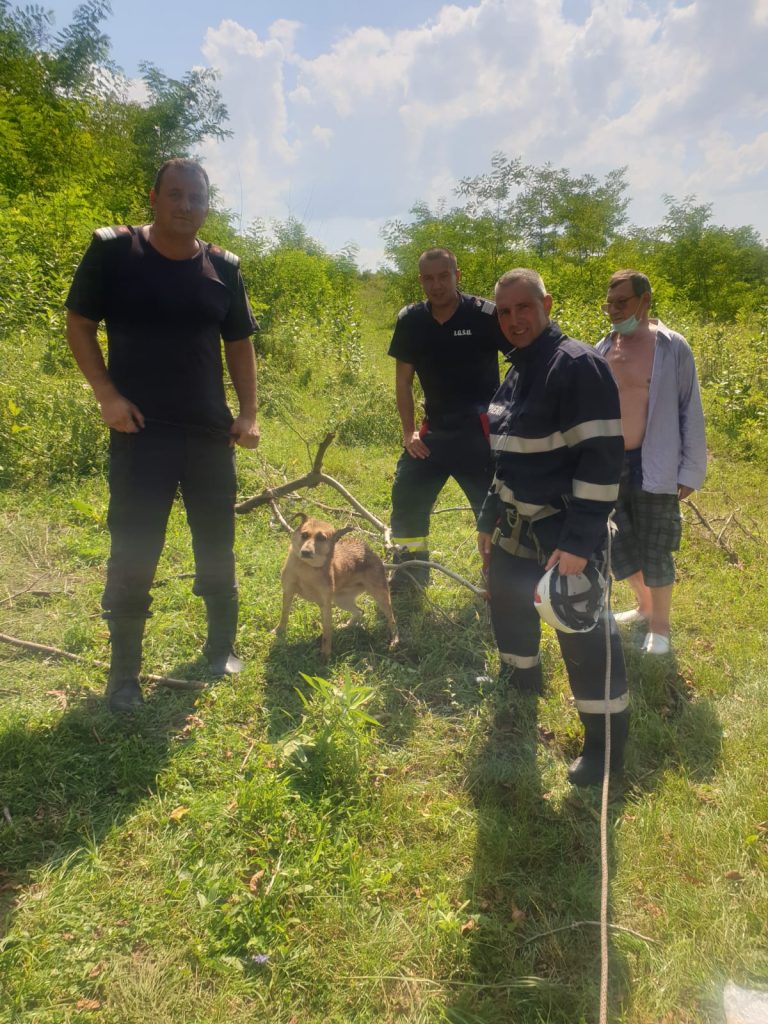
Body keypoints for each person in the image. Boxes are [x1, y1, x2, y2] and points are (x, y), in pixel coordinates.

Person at [65, 158, 260, 712]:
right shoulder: (114, 251)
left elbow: (239, 343)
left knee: (216, 542)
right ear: (154, 197)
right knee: (134, 548)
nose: (185, 206)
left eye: (196, 197)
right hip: (140, 433)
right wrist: (106, 394)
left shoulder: (224, 267)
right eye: (174, 194)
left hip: (209, 435)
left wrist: (248, 413)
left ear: (207, 205)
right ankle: (124, 674)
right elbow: (80, 324)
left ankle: (220, 649)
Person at [477, 269, 628, 787]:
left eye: (524, 307)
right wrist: (488, 518)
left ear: (546, 303)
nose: (514, 320)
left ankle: (605, 750)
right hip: (514, 527)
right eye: (504, 311)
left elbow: (603, 461)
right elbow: (504, 458)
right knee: (508, 608)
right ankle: (520, 687)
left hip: (565, 534)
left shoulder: (577, 366)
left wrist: (580, 542)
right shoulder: (518, 370)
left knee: (583, 637)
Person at [596, 270, 706, 655]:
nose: (613, 311)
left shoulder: (672, 348)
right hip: (610, 462)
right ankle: (643, 606)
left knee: (656, 544)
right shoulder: (603, 348)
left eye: (621, 302)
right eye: (609, 304)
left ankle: (660, 627)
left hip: (655, 461)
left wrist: (690, 470)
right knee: (619, 541)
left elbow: (690, 408)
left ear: (645, 300)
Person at [388, 247, 510, 587]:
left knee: (494, 508)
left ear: (457, 275)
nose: (437, 285)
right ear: (421, 281)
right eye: (429, 279)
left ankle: (497, 577)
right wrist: (409, 432)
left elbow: (522, 361)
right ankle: (411, 573)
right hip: (434, 432)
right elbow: (403, 381)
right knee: (407, 493)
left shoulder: (484, 314)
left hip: (480, 433)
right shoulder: (411, 320)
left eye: (444, 276)